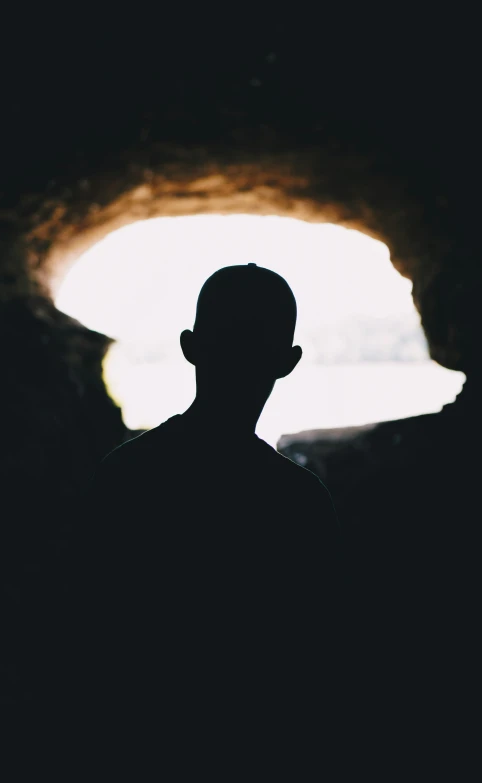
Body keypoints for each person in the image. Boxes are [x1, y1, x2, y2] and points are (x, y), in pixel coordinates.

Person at [69, 264, 344, 771]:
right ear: (288, 362)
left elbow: (86, 644)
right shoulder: (299, 501)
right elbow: (317, 669)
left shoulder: (125, 475)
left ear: (190, 346)